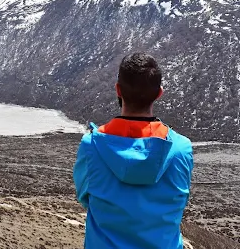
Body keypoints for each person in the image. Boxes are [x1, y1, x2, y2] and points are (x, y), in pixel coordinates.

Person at [73, 53, 193, 249]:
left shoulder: (92, 146)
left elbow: (85, 196)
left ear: (118, 90)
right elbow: (179, 201)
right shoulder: (181, 149)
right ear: (159, 93)